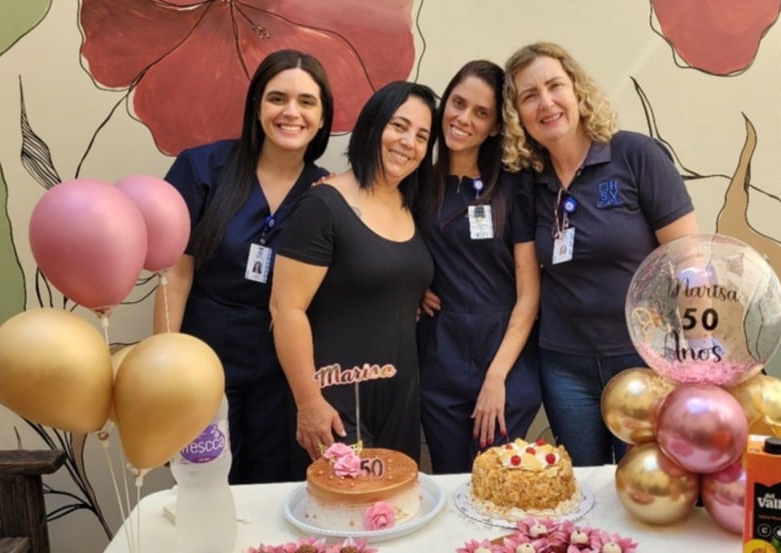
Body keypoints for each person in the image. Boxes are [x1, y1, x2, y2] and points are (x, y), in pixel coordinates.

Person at [502, 42, 699, 466]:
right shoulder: (529, 183)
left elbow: (689, 261)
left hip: (642, 360)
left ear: (577, 90)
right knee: (583, 485)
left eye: (554, 86)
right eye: (529, 95)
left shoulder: (634, 155)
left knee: (645, 482)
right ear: (517, 115)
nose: (546, 102)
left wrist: (696, 358)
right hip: (564, 367)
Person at [154, 49, 334, 484]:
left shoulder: (326, 191)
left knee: (273, 487)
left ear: (322, 117)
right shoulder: (202, 168)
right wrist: (164, 368)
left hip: (279, 365)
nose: (291, 112)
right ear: (256, 106)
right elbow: (174, 275)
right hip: (204, 354)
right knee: (205, 484)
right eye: (277, 98)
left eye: (306, 102)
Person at [270, 81, 438, 469]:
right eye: (399, 126)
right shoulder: (323, 205)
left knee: (395, 502)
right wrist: (309, 401)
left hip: (399, 400)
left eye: (421, 136)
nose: (408, 142)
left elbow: (385, 275)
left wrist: (414, 291)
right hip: (335, 398)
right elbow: (285, 309)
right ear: (372, 126)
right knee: (343, 505)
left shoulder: (411, 204)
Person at [417, 60, 541, 473]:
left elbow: (529, 293)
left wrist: (496, 377)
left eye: (481, 112)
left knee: (497, 485)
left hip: (505, 359)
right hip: (441, 358)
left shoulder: (514, 186)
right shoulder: (416, 182)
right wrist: (411, 286)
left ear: (494, 127)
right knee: (452, 482)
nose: (463, 118)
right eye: (458, 103)